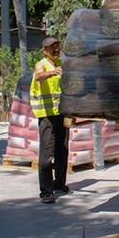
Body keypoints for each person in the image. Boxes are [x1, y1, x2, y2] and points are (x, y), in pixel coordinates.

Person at [32, 36, 68, 204]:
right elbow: (39, 76)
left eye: (57, 46)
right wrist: (52, 72)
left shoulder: (61, 63)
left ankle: (59, 184)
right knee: (47, 154)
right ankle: (46, 191)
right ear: (44, 51)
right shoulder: (41, 64)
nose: (55, 49)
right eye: (51, 47)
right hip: (46, 115)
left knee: (62, 149)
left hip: (61, 113)